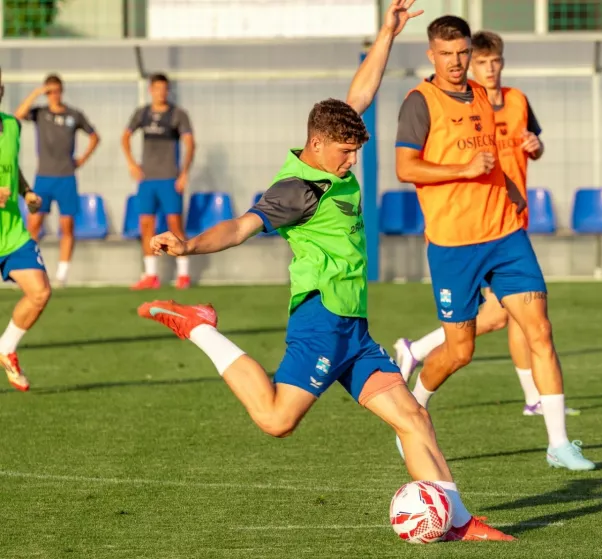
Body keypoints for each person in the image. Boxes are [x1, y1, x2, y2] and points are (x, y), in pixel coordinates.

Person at [137, 1, 514, 542]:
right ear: (317, 144)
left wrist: (387, 33)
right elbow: (241, 227)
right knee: (276, 420)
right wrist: (190, 245)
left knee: (413, 417)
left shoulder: (334, 141)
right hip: (320, 322)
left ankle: (458, 521)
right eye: (345, 152)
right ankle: (199, 327)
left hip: (353, 329)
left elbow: (359, 95)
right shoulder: (298, 190)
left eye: (355, 150)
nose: (352, 160)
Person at [394, 16, 595, 470]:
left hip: (505, 233)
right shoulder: (419, 102)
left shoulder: (483, 96)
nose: (456, 61)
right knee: (460, 351)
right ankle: (413, 409)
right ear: (431, 55)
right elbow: (406, 168)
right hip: (453, 243)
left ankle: (559, 444)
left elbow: (489, 154)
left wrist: (508, 186)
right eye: (447, 54)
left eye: (463, 52)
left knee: (539, 330)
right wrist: (462, 171)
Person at [13, 74, 100, 288]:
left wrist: (82, 159)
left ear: (62, 91)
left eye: (57, 91)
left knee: (67, 225)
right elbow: (18, 115)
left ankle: (62, 274)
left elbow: (94, 136)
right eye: (49, 91)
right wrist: (36, 93)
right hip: (43, 177)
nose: (54, 95)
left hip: (66, 177)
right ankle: (29, 270)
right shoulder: (40, 113)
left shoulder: (73, 115)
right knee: (34, 224)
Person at [0, 67, 52, 391]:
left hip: (13, 234)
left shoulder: (11, 126)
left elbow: (12, 167)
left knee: (40, 292)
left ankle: (6, 347)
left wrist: (26, 192)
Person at [122, 73, 195, 290]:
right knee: (146, 225)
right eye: (157, 89)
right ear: (150, 90)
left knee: (175, 224)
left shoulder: (178, 114)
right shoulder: (142, 113)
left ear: (168, 90)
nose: (161, 93)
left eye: (164, 89)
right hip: (147, 180)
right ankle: (151, 275)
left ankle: (183, 274)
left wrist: (184, 173)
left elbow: (190, 144)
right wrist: (132, 164)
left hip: (170, 178)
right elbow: (125, 137)